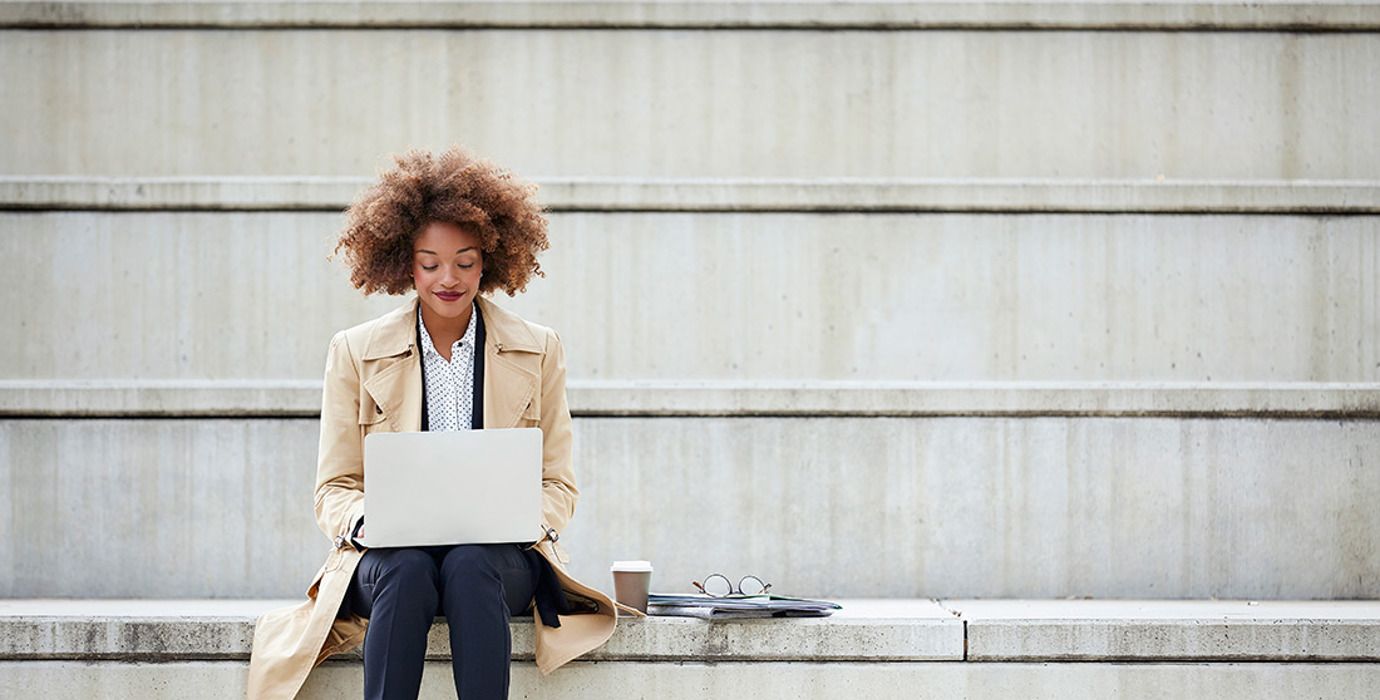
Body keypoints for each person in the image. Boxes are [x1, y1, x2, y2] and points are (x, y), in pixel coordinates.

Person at [247, 146, 625, 700]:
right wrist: (368, 521)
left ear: (490, 261)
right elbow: (333, 488)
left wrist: (521, 517)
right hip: (390, 562)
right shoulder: (354, 351)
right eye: (430, 263)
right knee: (406, 566)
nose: (448, 278)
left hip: (499, 562)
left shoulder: (539, 348)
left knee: (471, 565)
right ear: (405, 262)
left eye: (465, 262)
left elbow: (558, 484)